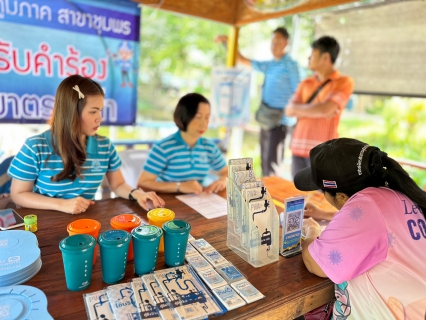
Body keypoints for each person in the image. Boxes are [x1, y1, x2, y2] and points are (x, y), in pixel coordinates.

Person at [294, 138, 426, 319]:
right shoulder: (395, 194)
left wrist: (312, 232)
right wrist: (325, 214)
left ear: (340, 196)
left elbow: (315, 264)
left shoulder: (367, 206)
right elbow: (376, 226)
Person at [8, 75, 165, 214]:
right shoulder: (35, 146)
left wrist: (138, 194)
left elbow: (118, 184)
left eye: (101, 111)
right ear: (71, 112)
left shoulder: (105, 146)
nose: (100, 118)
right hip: (44, 225)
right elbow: (19, 194)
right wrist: (62, 205)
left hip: (86, 222)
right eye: (93, 111)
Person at [215, 27, 300, 177]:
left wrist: (292, 112)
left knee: (273, 164)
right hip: (267, 119)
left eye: (278, 42)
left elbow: (298, 92)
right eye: (272, 41)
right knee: (265, 162)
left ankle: (273, 197)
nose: (273, 45)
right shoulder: (270, 65)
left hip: (281, 121)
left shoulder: (291, 65)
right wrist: (227, 43)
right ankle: (267, 193)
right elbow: (242, 59)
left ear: (286, 43)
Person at [285, 36, 354, 178]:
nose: (309, 58)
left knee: (320, 197)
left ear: (325, 58)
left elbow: (326, 109)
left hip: (323, 153)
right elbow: (289, 109)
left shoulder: (343, 82)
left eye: (313, 55)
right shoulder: (305, 83)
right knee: (297, 196)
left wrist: (303, 109)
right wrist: (320, 110)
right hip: (297, 148)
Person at [138, 93, 228, 194]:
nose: (204, 124)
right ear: (184, 116)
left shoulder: (209, 147)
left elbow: (226, 172)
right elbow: (143, 183)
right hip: (167, 204)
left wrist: (222, 180)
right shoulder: (163, 147)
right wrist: (179, 186)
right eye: (198, 117)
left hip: (199, 201)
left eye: (207, 117)